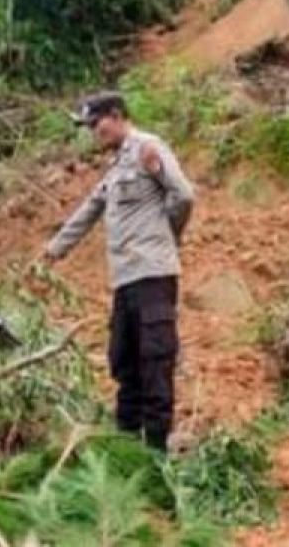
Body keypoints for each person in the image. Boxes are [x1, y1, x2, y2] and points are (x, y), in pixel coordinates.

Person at [43, 92, 194, 451]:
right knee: (124, 362)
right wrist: (52, 251)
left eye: (97, 123)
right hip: (125, 280)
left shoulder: (147, 149)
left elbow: (183, 196)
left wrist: (166, 236)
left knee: (155, 361)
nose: (94, 131)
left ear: (116, 115)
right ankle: (126, 450)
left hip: (152, 275)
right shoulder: (115, 168)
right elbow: (88, 211)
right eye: (90, 126)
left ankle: (155, 455)